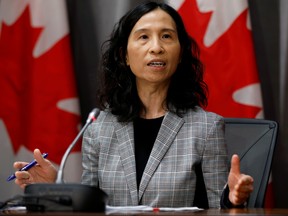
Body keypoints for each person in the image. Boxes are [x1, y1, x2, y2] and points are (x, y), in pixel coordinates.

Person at [13, 1, 253, 209]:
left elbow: (220, 208)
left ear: (180, 54)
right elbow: (88, 208)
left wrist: (232, 201)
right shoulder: (98, 129)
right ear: (124, 55)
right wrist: (56, 186)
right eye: (144, 37)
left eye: (167, 36)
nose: (156, 47)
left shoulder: (206, 127)